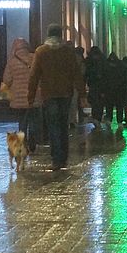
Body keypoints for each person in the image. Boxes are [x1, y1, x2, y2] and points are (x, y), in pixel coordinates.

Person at [27, 24, 85, 171]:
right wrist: (82, 94)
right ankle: (63, 157)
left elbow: (34, 75)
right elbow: (76, 74)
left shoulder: (41, 51)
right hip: (66, 93)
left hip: (49, 94)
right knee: (63, 125)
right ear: (60, 35)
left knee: (53, 126)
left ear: (48, 34)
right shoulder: (68, 51)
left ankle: (56, 158)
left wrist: (31, 95)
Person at [1, 37, 41, 149]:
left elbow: (7, 79)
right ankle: (33, 139)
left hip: (18, 97)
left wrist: (4, 95)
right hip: (34, 95)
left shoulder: (12, 62)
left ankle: (23, 141)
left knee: (22, 120)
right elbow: (40, 75)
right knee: (33, 119)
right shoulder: (34, 58)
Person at [84, 47, 107, 126]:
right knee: (99, 102)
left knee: (95, 102)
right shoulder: (103, 60)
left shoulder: (89, 61)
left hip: (93, 84)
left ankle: (96, 117)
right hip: (100, 85)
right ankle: (98, 118)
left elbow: (86, 73)